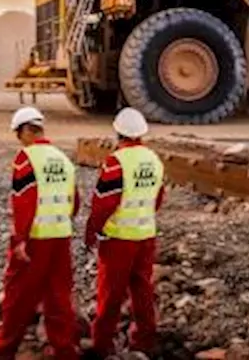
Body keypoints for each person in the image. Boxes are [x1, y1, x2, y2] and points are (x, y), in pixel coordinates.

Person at [0, 106, 81, 360]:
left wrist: (20, 240)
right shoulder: (62, 159)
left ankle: (4, 349)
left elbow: (24, 202)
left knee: (18, 297)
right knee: (59, 297)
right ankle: (65, 350)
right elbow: (75, 201)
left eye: (19, 134)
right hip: (61, 236)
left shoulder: (26, 158)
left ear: (25, 131)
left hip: (35, 240)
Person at [84, 107, 166, 357]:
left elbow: (105, 203)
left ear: (118, 134)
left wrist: (93, 230)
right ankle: (144, 340)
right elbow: (158, 198)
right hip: (146, 236)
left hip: (119, 240)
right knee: (142, 290)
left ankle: (102, 344)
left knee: (110, 294)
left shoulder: (116, 162)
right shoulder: (153, 159)